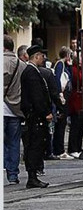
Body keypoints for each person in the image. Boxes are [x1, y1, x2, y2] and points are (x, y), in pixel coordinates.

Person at [20, 44, 53, 188]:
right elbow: (37, 96)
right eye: (42, 56)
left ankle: (33, 176)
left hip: (34, 114)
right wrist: (45, 112)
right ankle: (32, 177)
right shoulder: (31, 73)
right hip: (35, 116)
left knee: (36, 145)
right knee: (34, 145)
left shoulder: (32, 71)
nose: (43, 59)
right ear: (37, 56)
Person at [4, 35, 26, 184]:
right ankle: (13, 174)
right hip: (16, 109)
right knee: (14, 143)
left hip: (3, 107)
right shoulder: (22, 64)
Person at [52, 47, 73, 159]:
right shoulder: (60, 65)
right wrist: (60, 94)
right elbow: (59, 79)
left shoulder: (62, 64)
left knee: (62, 123)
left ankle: (58, 149)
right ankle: (59, 150)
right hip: (62, 97)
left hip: (63, 96)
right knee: (61, 124)